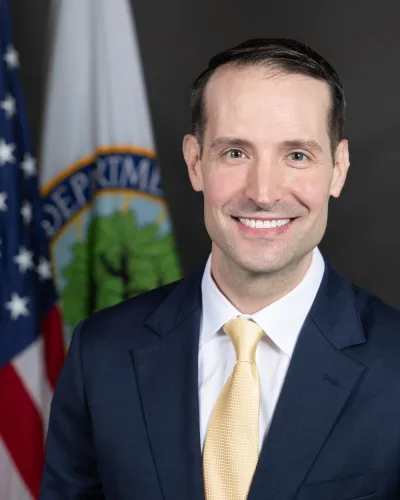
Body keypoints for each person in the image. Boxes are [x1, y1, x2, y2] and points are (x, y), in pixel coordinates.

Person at [40, 38, 400, 500]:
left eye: (297, 155)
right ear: (195, 162)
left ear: (338, 169)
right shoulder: (101, 353)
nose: (264, 193)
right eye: (235, 153)